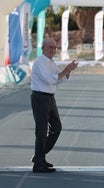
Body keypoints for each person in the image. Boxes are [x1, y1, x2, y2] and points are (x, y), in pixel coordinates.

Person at [31, 38, 78, 173]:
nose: (53, 50)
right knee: (41, 131)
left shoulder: (51, 62)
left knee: (56, 128)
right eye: (50, 47)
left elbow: (59, 80)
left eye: (54, 47)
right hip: (40, 97)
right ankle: (39, 163)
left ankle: (39, 156)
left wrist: (67, 71)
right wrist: (65, 70)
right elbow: (49, 79)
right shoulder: (40, 62)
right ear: (43, 48)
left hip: (49, 98)